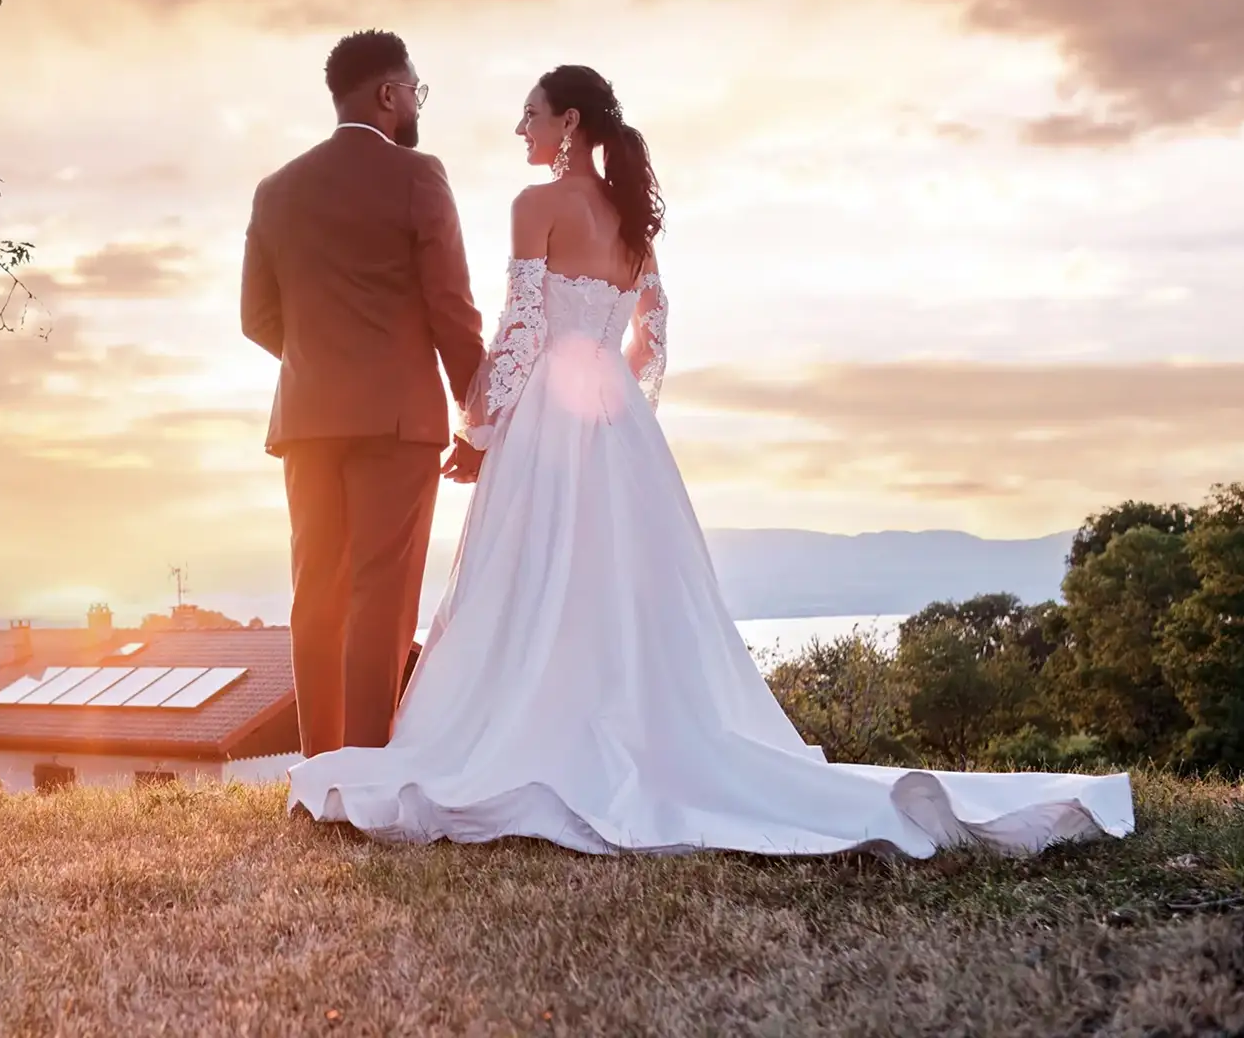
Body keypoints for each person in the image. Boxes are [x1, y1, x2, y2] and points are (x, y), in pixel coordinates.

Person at [284, 64, 1135, 857]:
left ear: (569, 124)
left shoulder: (533, 206)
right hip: (613, 414)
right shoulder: (631, 221)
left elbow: (518, 332)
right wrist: (625, 405)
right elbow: (650, 334)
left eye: (532, 115)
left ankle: (538, 725)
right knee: (622, 584)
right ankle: (624, 726)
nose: (521, 129)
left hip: (551, 406)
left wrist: (478, 433)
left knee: (538, 576)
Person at [241, 30, 485, 759]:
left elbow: (257, 318)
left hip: (308, 420)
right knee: (383, 596)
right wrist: (482, 414)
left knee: (316, 594)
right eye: (414, 88)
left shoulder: (275, 189)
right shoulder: (420, 175)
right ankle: (368, 769)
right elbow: (452, 308)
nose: (415, 102)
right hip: (398, 421)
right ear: (388, 93)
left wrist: (325, 364)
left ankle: (320, 768)